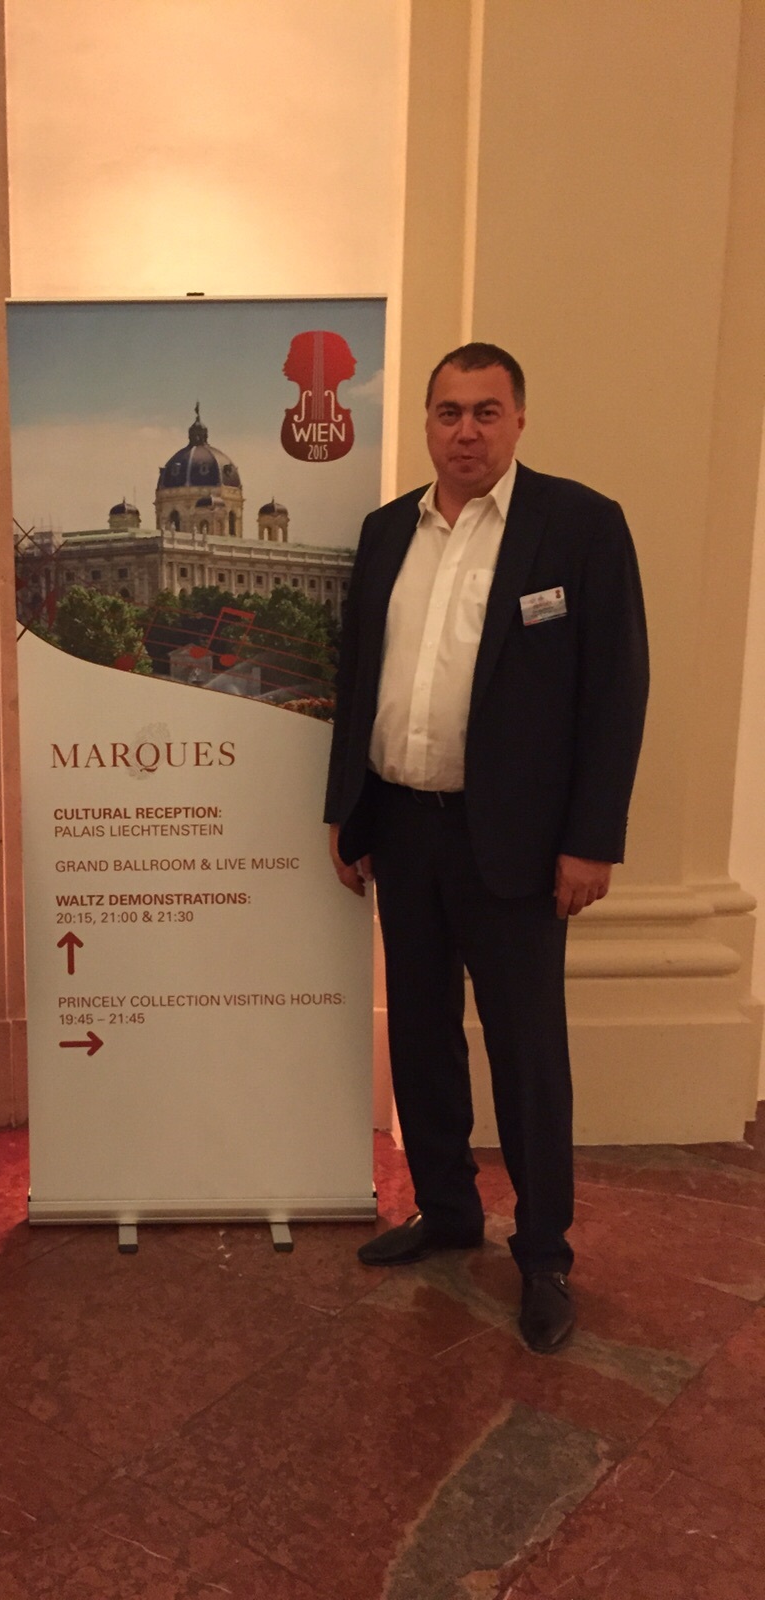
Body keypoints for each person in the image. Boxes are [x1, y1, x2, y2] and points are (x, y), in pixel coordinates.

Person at [325, 343, 649, 1355]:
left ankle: (543, 1253)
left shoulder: (580, 526)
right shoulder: (388, 531)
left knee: (526, 1053)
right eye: (448, 411)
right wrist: (348, 811)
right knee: (421, 1033)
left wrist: (591, 841)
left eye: (485, 411)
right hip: (404, 824)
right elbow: (360, 675)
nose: (465, 430)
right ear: (427, 422)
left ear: (518, 420)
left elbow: (616, 692)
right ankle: (448, 1209)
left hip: (517, 841)